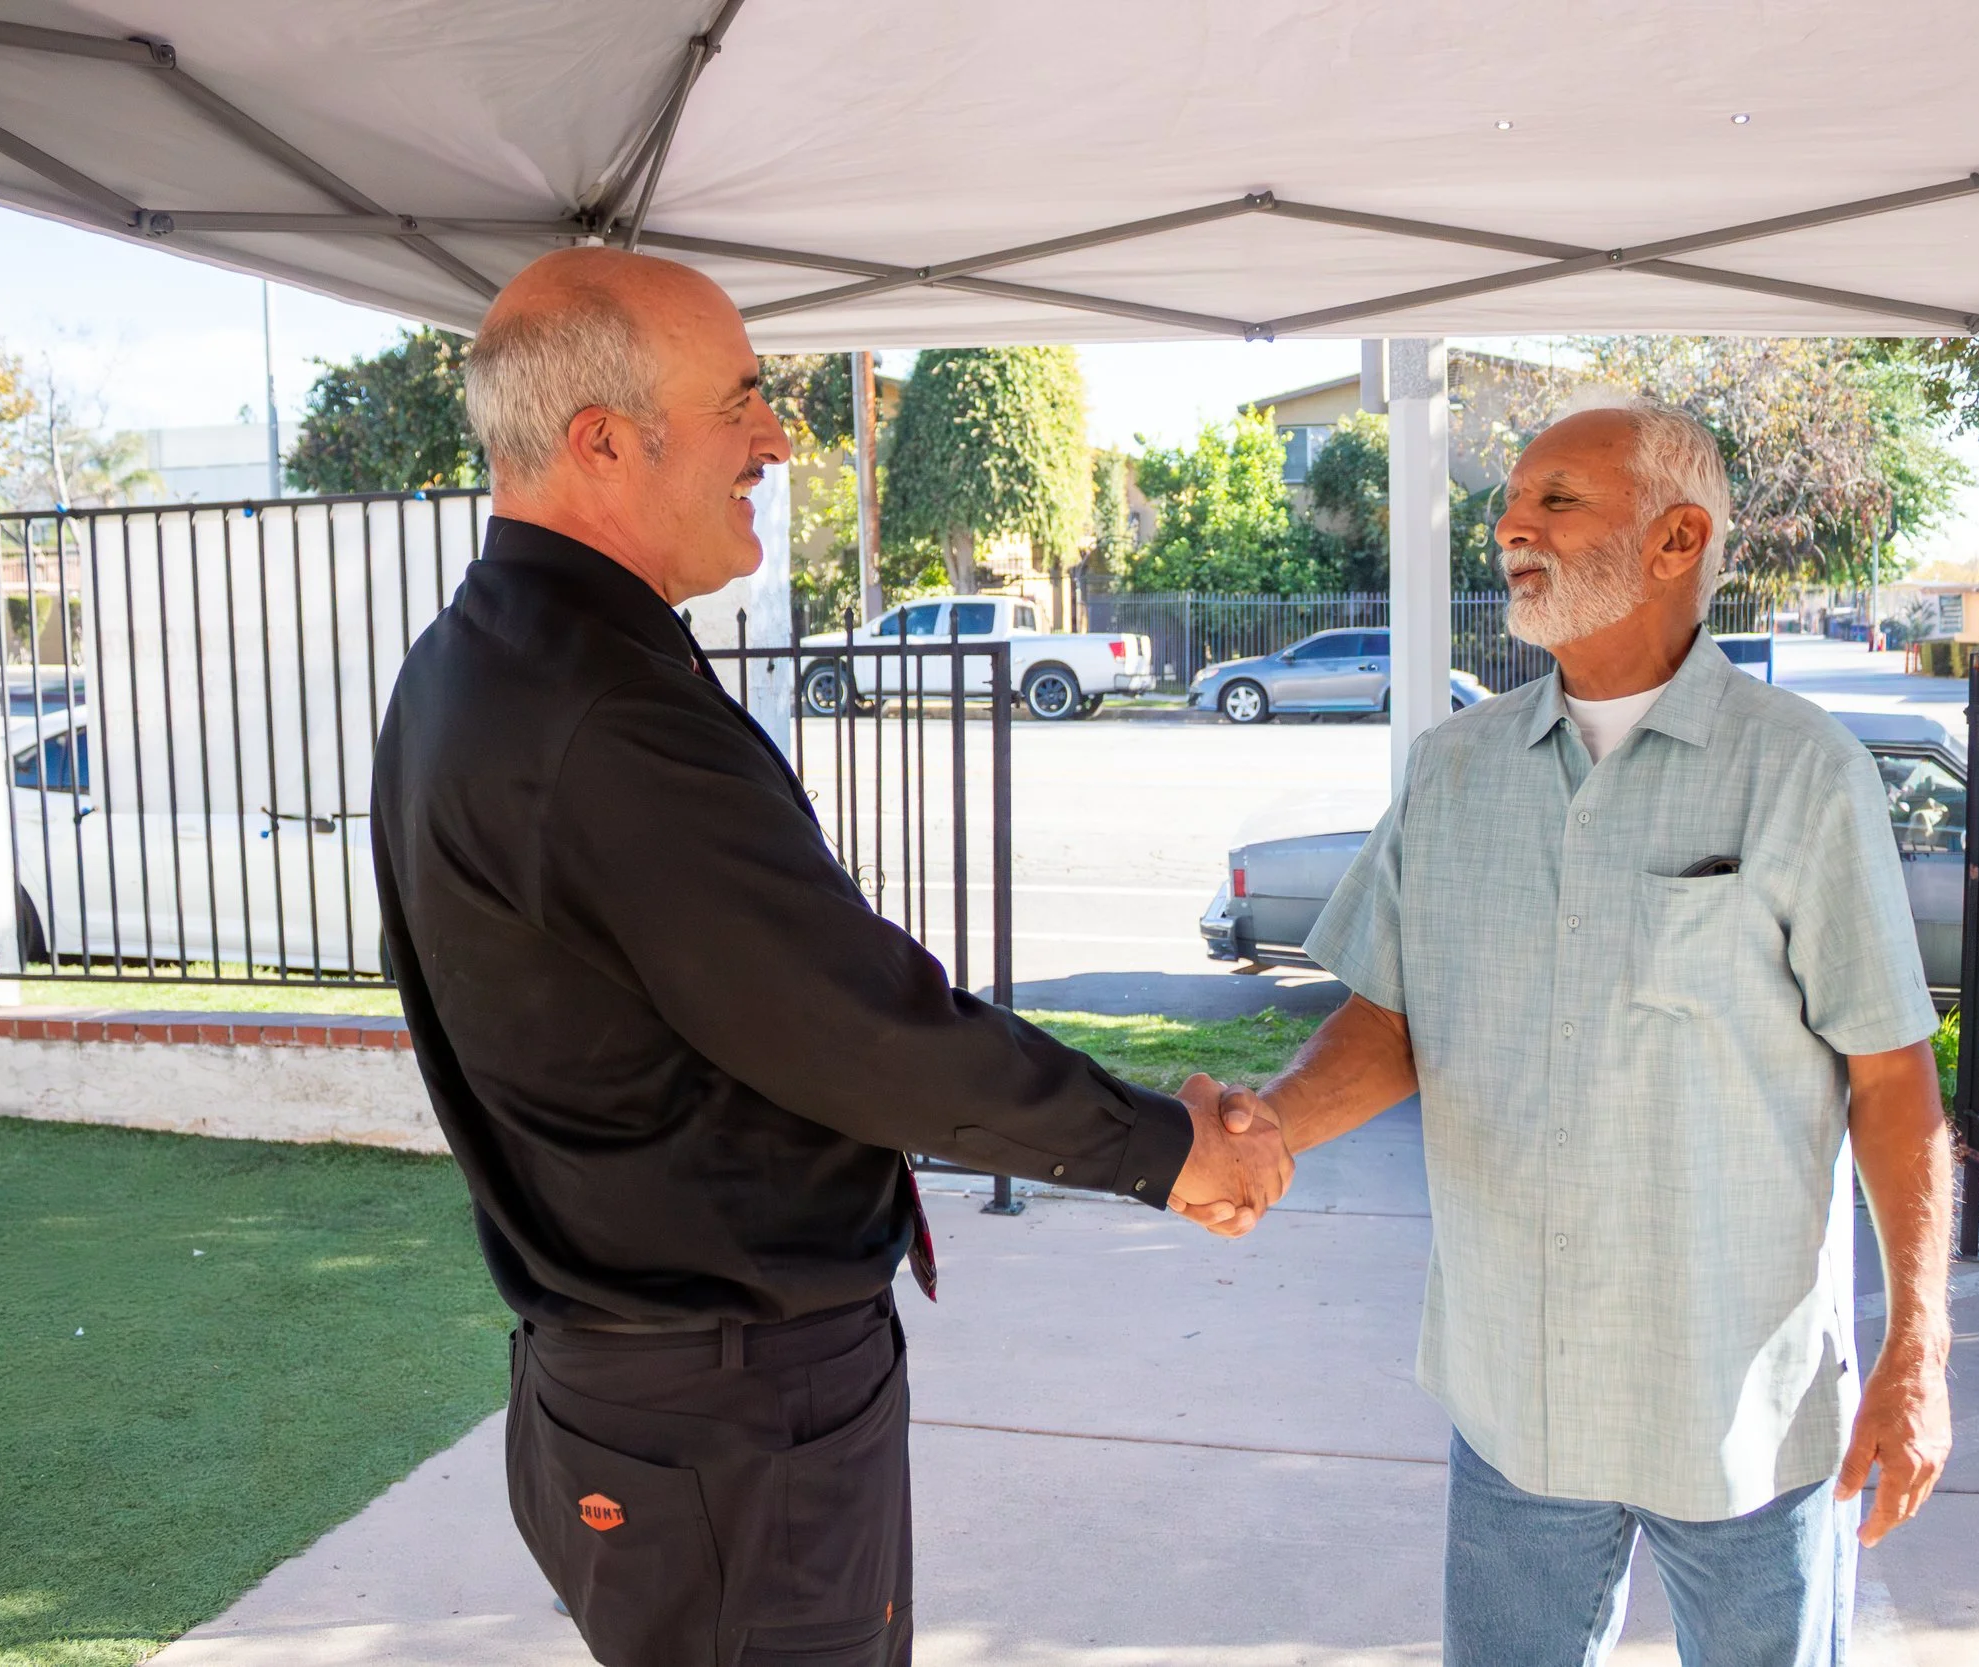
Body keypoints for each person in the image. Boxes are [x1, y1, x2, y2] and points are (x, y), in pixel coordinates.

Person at [370, 247, 1291, 1667]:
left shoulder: (482, 656)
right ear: (603, 438)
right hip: (729, 1426)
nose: (778, 436)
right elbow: (858, 1028)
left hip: (643, 1398)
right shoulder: (595, 705)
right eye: (740, 400)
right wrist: (1163, 1144)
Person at [1219, 395, 1953, 1666]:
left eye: (1556, 500)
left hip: (1740, 1411)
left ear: (1677, 541)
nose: (1509, 522)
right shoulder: (1454, 769)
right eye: (1513, 500)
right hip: (1516, 1403)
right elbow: (1392, 1019)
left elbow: (1892, 1081)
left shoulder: (1800, 772)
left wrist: (1917, 1346)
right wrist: (1262, 1129)